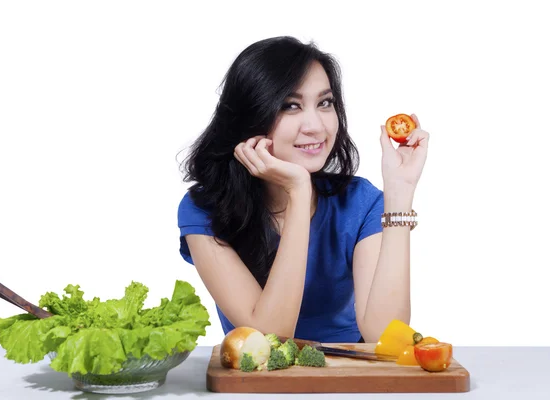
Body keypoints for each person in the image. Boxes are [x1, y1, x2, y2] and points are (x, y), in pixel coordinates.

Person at [177, 36, 429, 344]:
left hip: (348, 383)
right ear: (250, 117)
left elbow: (385, 336)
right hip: (258, 389)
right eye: (290, 106)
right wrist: (298, 192)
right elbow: (270, 339)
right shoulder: (204, 208)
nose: (316, 126)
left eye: (325, 103)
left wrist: (400, 191)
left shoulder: (360, 203)